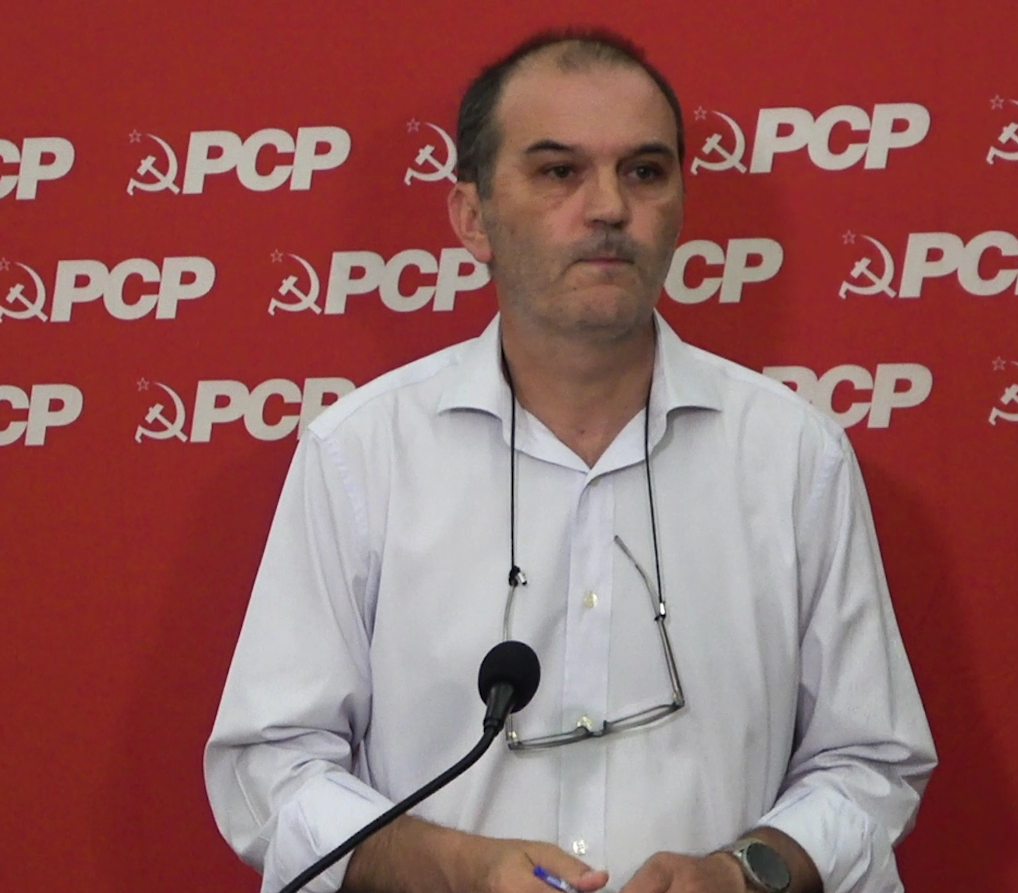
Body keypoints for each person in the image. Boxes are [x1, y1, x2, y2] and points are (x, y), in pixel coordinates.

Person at [205, 30, 935, 893]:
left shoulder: (791, 453)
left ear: (679, 205)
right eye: (558, 171)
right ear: (471, 217)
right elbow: (272, 769)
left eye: (644, 171)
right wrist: (456, 869)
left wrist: (740, 874)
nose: (608, 208)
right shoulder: (362, 453)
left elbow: (870, 761)